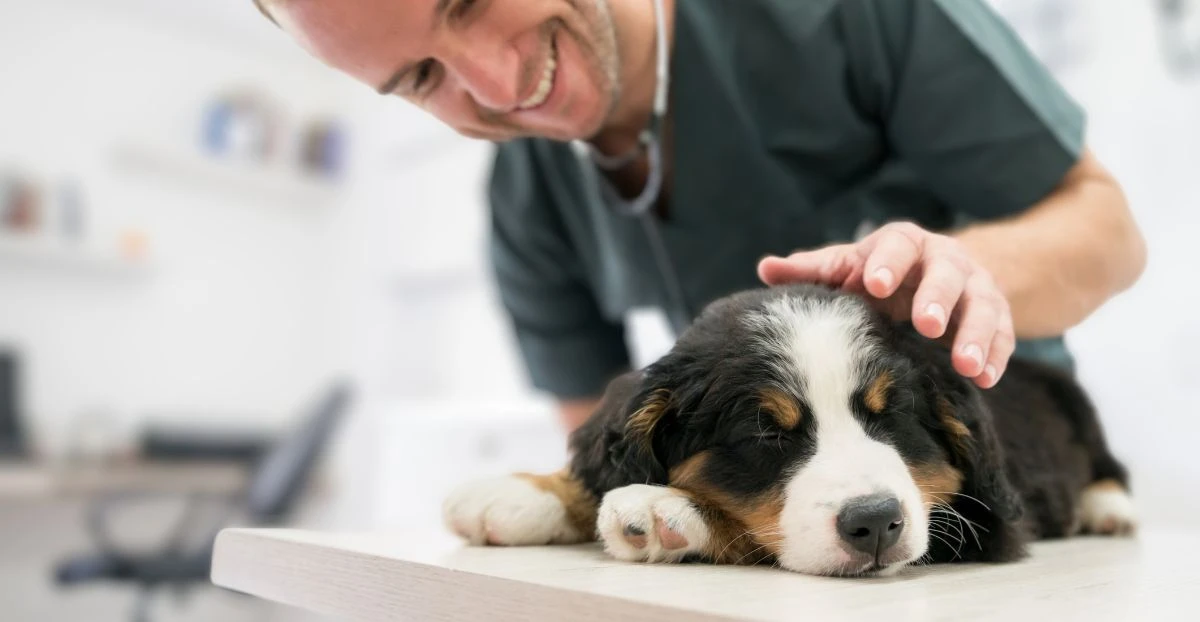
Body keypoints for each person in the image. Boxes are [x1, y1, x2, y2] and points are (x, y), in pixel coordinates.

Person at [252, 0, 1147, 433]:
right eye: (420, 79)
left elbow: (1108, 228)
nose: (498, 85)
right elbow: (593, 447)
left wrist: (973, 272)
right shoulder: (527, 197)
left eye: (473, 0)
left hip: (1003, 490)